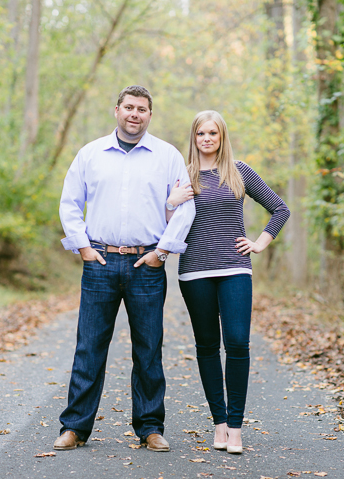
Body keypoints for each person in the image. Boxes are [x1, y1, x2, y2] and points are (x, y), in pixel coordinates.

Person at [55, 86, 195, 452]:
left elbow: (185, 208)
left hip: (146, 263)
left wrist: (162, 253)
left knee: (148, 348)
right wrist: (82, 246)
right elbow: (70, 203)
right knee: (89, 346)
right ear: (116, 110)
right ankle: (74, 427)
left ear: (150, 115)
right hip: (99, 261)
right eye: (129, 107)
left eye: (142, 109)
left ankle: (150, 427)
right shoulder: (91, 154)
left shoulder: (167, 156)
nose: (135, 114)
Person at [165, 110, 290, 454]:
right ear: (194, 138)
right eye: (201, 133)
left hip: (235, 268)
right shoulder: (183, 177)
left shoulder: (240, 172)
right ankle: (219, 425)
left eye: (213, 133)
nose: (206, 139)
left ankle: (236, 428)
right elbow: (163, 222)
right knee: (207, 346)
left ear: (222, 137)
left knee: (236, 343)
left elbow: (280, 209)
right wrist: (170, 203)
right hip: (194, 271)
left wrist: (259, 243)